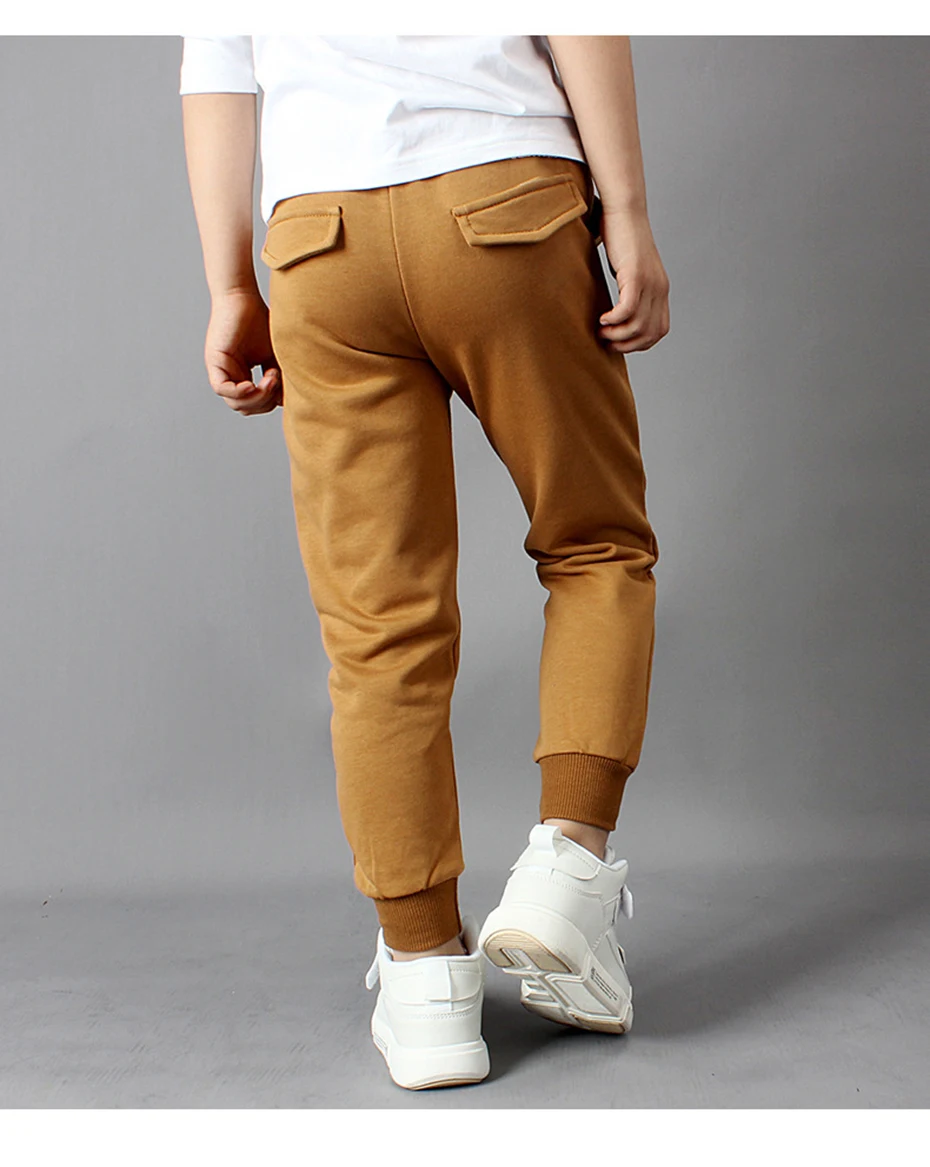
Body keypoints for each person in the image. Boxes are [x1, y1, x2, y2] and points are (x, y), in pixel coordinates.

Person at [179, 34, 669, 1091]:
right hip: (507, 202)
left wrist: (229, 284)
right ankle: (566, 873)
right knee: (594, 544)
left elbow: (217, 70)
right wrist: (626, 213)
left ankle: (424, 975)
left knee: (377, 628)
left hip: (320, 241)